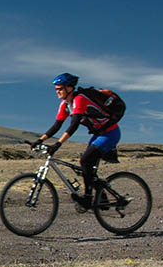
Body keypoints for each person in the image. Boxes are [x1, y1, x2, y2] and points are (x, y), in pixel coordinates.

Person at [31, 73, 121, 210]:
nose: (57, 92)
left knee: (85, 161)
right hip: (98, 134)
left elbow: (73, 125)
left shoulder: (80, 99)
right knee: (86, 169)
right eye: (56, 89)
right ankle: (102, 199)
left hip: (110, 133)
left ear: (69, 88)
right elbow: (57, 126)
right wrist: (40, 140)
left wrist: (58, 143)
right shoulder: (65, 105)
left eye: (60, 89)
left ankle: (87, 199)